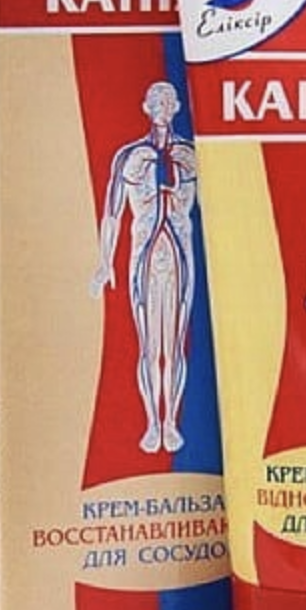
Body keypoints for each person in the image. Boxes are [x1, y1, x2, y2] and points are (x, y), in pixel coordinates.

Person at [91, 81, 196, 453]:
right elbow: (112, 212)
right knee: (150, 344)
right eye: (156, 100)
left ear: (177, 106)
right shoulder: (129, 157)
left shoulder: (192, 154)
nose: (162, 105)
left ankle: (171, 422)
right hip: (144, 254)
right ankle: (153, 420)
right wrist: (105, 262)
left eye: (168, 100)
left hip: (181, 251)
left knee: (176, 341)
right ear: (145, 106)